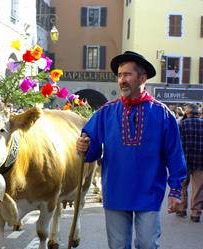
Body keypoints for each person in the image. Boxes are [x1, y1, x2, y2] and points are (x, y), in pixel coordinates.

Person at [76, 51, 187, 249]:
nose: (122, 80)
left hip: (150, 192)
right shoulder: (105, 112)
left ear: (142, 78)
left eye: (127, 75)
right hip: (116, 191)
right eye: (119, 75)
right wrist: (84, 147)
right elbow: (90, 150)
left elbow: (175, 155)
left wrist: (176, 190)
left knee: (147, 244)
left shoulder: (162, 114)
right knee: (118, 246)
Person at [177, 103, 203, 223]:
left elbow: (177, 145)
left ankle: (182, 209)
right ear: (198, 113)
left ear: (187, 113)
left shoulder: (181, 124)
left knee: (183, 186)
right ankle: (195, 214)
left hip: (184, 161)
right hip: (200, 161)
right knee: (198, 188)